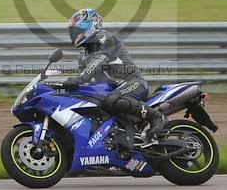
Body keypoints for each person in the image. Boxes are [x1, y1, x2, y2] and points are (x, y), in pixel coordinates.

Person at [62, 8, 165, 142]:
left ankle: (156, 116)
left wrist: (79, 78)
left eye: (77, 31)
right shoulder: (82, 56)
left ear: (91, 24)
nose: (75, 34)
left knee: (112, 99)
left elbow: (99, 61)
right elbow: (86, 82)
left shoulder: (105, 38)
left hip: (134, 83)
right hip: (114, 89)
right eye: (73, 32)